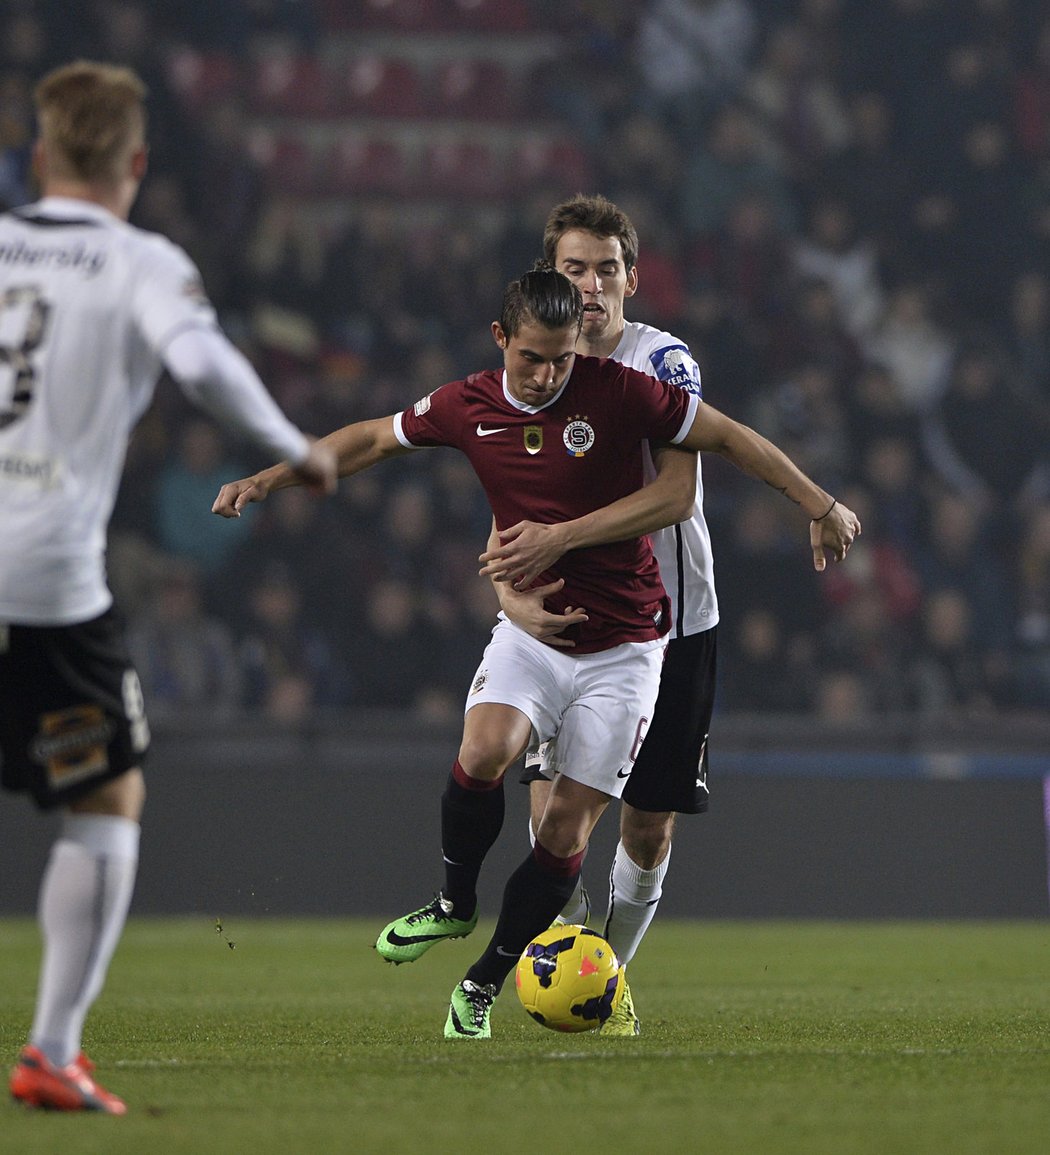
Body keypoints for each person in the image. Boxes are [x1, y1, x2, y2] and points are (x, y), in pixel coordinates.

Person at [212, 265, 859, 1040]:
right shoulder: (468, 402)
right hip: (535, 631)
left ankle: (483, 982)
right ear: (501, 340)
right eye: (533, 359)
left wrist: (817, 503)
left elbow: (729, 438)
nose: (550, 374)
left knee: (565, 834)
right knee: (483, 747)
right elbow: (372, 440)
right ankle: (454, 902)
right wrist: (271, 476)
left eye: (561, 359)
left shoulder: (619, 392)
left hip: (625, 648)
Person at [1, 61, 335, 1114]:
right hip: (44, 573)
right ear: (137, 163)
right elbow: (200, 362)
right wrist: (294, 444)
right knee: (105, 795)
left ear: (40, 154)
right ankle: (51, 1051)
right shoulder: (141, 261)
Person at [482, 193, 724, 1035]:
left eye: (606, 269)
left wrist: (556, 537)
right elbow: (507, 503)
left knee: (649, 825)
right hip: (572, 621)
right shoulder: (532, 369)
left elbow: (675, 492)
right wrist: (512, 589)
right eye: (573, 269)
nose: (590, 285)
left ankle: (604, 977)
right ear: (549, 278)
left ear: (632, 278)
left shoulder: (663, 363)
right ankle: (570, 959)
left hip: (674, 621)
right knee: (553, 814)